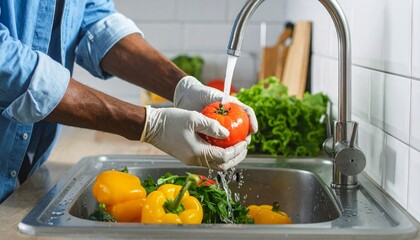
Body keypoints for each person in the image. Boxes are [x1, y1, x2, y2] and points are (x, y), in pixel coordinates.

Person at [0, 0, 258, 203]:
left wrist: (182, 87)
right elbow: (6, 64)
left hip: (23, 172)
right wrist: (147, 124)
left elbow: (95, 21)